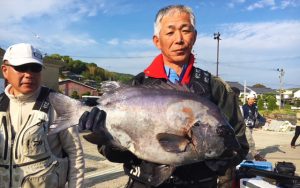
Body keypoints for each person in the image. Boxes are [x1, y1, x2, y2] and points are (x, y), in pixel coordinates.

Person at [80, 5, 249, 188]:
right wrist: (104, 137)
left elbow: (239, 143)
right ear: (157, 41)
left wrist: (218, 160)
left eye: (185, 30)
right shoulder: (135, 86)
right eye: (170, 33)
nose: (179, 39)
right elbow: (113, 154)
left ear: (195, 36)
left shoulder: (215, 87)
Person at [0, 43, 85, 188]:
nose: (29, 74)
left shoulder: (58, 104)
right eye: (21, 67)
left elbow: (75, 153)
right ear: (5, 70)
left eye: (35, 68)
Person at [242, 91, 267, 161]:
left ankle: (242, 155)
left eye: (253, 99)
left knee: (245, 142)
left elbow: (258, 115)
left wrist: (265, 120)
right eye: (251, 99)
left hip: (251, 127)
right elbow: (240, 117)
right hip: (245, 127)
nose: (252, 101)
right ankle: (256, 156)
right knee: (251, 141)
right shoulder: (244, 108)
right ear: (247, 99)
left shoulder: (255, 107)